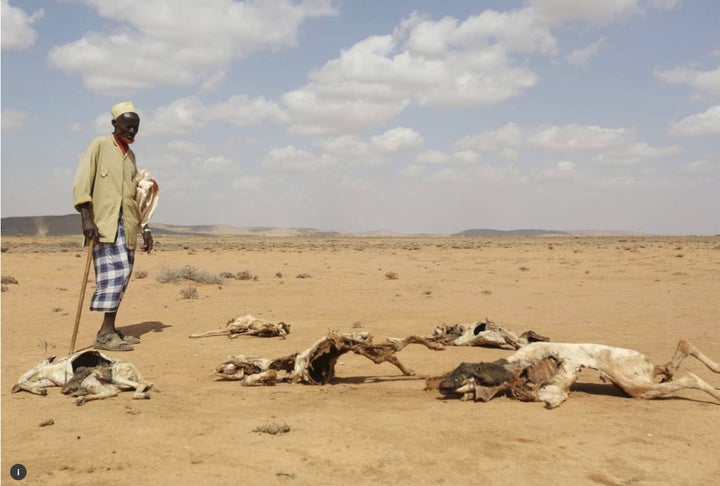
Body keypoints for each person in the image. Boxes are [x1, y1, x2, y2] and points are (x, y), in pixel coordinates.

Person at [72, 101, 153, 351]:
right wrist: (86, 218)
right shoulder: (98, 145)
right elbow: (82, 181)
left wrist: (145, 227)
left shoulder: (131, 157)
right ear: (114, 124)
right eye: (127, 126)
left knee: (123, 276)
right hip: (104, 224)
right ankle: (105, 334)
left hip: (127, 225)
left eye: (136, 128)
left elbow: (135, 196)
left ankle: (111, 328)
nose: (132, 132)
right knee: (112, 277)